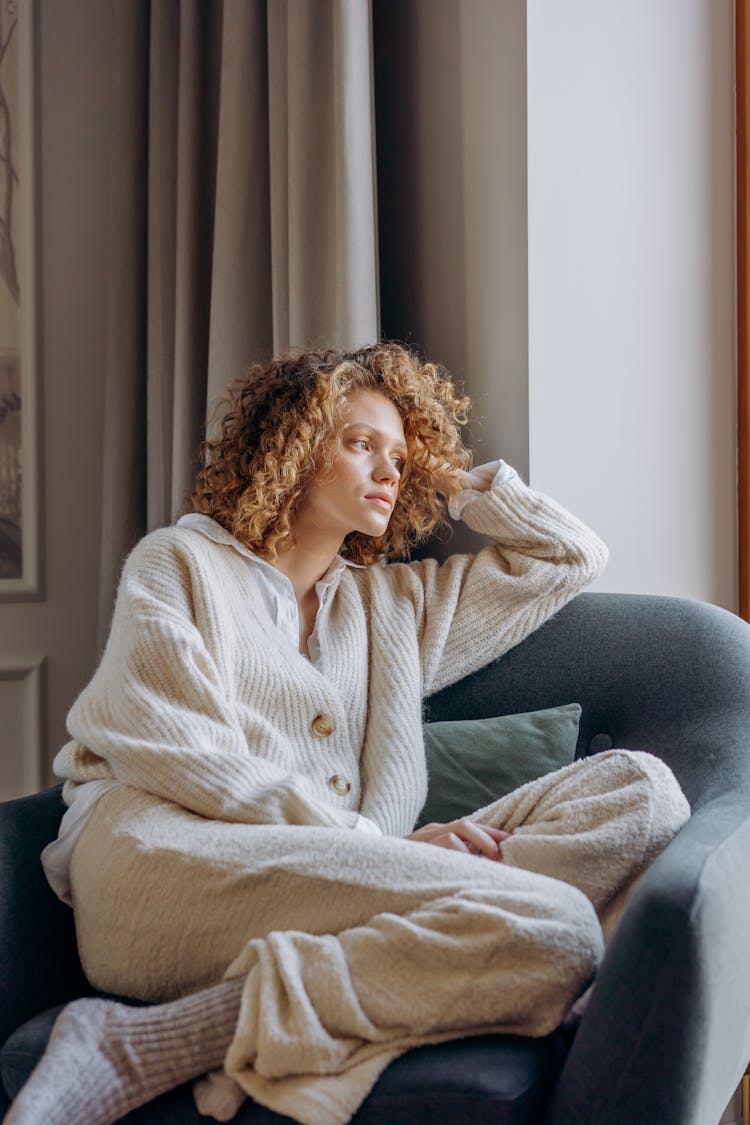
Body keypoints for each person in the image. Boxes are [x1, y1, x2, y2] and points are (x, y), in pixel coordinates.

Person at [6, 342, 690, 1125]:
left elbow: (569, 556)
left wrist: (447, 479)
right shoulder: (179, 565)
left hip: (335, 876)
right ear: (293, 447)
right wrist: (378, 846)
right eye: (361, 443)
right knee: (563, 933)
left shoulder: (392, 608)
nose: (390, 471)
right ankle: (439, 962)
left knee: (642, 789)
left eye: (401, 455)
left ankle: (158, 1035)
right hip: (163, 858)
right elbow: (185, 755)